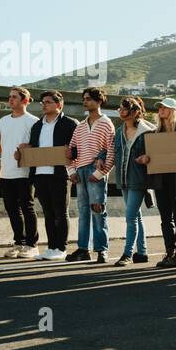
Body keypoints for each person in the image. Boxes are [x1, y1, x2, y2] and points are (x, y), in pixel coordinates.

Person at [21, 90, 77, 261]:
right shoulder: (37, 126)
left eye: (48, 102)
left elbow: (76, 149)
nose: (44, 104)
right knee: (48, 212)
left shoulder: (70, 124)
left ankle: (61, 248)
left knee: (61, 212)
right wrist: (23, 153)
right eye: (42, 102)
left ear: (59, 105)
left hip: (60, 174)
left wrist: (71, 154)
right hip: (39, 174)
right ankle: (51, 246)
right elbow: (35, 149)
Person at [139, 98, 176, 268]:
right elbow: (141, 157)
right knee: (165, 218)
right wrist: (144, 159)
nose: (160, 110)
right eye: (159, 108)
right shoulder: (153, 135)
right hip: (160, 181)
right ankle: (169, 252)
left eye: (164, 107)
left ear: (173, 110)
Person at [65, 87, 114, 263]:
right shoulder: (79, 127)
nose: (84, 102)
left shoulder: (106, 123)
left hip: (95, 174)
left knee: (98, 210)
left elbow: (111, 152)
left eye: (88, 99)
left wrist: (100, 173)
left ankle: (102, 249)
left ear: (99, 101)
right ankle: (83, 249)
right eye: (83, 99)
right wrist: (71, 171)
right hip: (80, 172)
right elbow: (69, 151)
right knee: (83, 212)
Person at [110, 96, 154, 266]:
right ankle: (142, 252)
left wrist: (148, 157)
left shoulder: (148, 130)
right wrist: (100, 158)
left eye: (125, 108)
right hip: (123, 178)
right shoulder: (120, 131)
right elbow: (112, 150)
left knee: (130, 217)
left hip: (139, 179)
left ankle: (127, 253)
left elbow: (157, 153)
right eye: (119, 108)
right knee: (136, 215)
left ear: (136, 112)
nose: (121, 111)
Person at [0, 86, 38, 259]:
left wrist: (28, 147)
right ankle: (18, 243)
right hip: (5, 172)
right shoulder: (2, 121)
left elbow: (38, 146)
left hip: (24, 172)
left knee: (27, 207)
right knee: (12, 209)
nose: (11, 100)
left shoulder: (34, 121)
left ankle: (32, 245)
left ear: (25, 101)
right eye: (10, 97)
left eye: (14, 97)